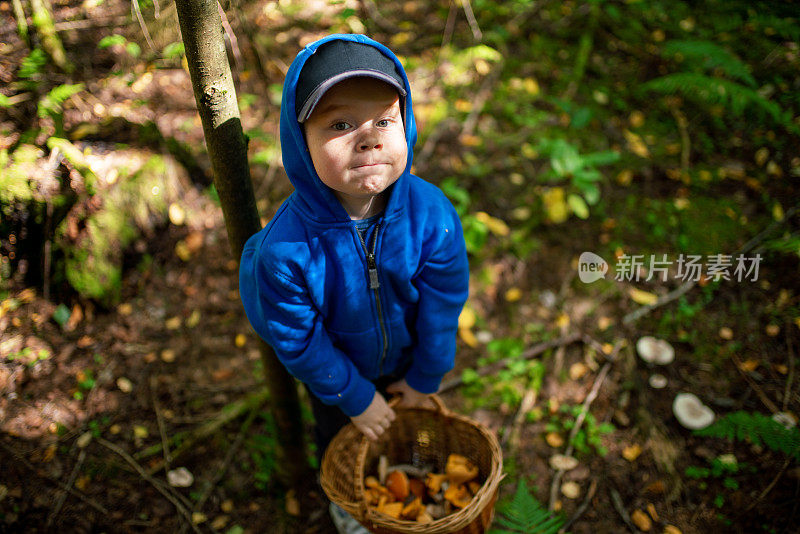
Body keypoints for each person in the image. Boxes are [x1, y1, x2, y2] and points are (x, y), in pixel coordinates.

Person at [239, 34, 469, 532]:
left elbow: (444, 299)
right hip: (336, 379)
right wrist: (354, 396)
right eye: (341, 124)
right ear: (301, 141)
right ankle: (350, 506)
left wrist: (427, 374)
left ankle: (414, 484)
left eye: (384, 120)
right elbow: (298, 340)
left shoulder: (431, 215)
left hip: (407, 358)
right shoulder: (287, 250)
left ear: (405, 125)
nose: (369, 138)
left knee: (408, 428)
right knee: (341, 440)